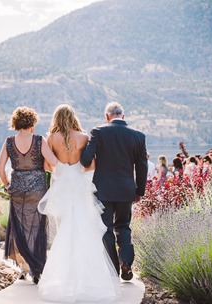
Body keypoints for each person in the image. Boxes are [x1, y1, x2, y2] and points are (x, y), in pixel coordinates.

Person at [37, 104, 120, 302]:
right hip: (79, 187)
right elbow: (90, 164)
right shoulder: (83, 138)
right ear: (73, 117)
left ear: (57, 118)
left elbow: (47, 165)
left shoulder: (52, 138)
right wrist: (76, 171)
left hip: (61, 188)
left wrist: (61, 170)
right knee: (83, 230)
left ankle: (64, 278)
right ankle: (88, 279)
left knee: (63, 230)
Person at [81, 102, 148, 281]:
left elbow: (86, 160)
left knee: (106, 229)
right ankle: (126, 261)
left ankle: (113, 270)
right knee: (123, 226)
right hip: (126, 190)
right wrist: (139, 190)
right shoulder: (138, 136)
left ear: (107, 116)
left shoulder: (98, 132)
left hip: (103, 191)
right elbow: (142, 167)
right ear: (123, 117)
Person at [0, 106, 58, 284]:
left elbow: (0, 168)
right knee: (37, 228)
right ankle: (37, 270)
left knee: (20, 228)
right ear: (32, 123)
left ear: (16, 123)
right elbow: (53, 163)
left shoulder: (9, 141)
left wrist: (7, 185)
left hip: (17, 189)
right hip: (37, 189)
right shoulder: (39, 140)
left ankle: (24, 268)